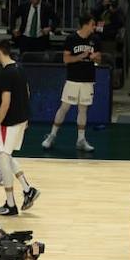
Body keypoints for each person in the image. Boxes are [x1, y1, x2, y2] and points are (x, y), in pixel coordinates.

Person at [0, 40, 39, 216]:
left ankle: (11, 204)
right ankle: (27, 189)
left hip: (9, 122)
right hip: (22, 118)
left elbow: (5, 103)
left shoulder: (5, 73)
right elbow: (28, 93)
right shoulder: (20, 67)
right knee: (6, 155)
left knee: (3, 158)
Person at [41, 8, 101, 153]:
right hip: (73, 79)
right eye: (92, 24)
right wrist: (81, 56)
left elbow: (99, 58)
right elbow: (66, 59)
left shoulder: (96, 39)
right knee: (65, 107)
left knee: (83, 109)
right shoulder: (72, 39)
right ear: (85, 24)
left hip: (88, 79)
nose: (94, 27)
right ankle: (52, 135)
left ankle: (81, 139)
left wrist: (95, 58)